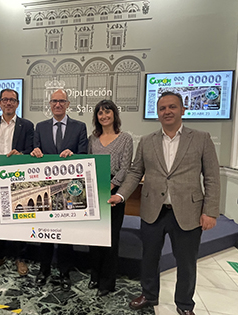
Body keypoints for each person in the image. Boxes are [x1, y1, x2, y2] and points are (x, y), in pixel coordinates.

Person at [109, 91, 220, 315]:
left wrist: (210, 211)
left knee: (187, 263)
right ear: (157, 113)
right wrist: (120, 196)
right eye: (162, 108)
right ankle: (149, 295)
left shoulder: (201, 138)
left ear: (182, 110)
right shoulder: (147, 141)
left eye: (172, 107)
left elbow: (212, 177)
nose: (167, 111)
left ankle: (185, 305)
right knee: (149, 258)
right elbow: (134, 172)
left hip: (188, 212)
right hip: (153, 211)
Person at [30, 89, 88, 291]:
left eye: (61, 101)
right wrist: (34, 152)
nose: (58, 104)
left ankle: (64, 272)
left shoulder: (79, 127)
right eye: (54, 101)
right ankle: (43, 270)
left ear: (68, 104)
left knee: (65, 235)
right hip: (45, 190)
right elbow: (34, 153)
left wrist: (74, 154)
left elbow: (83, 155)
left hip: (69, 191)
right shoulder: (40, 127)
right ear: (49, 103)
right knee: (44, 234)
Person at [0, 88, 34, 276]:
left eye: (12, 100)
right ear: (0, 103)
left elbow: (30, 150)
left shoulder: (27, 125)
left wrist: (21, 155)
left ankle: (21, 258)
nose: (8, 103)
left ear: (17, 103)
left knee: (20, 218)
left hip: (18, 179)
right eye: (5, 100)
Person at [88, 100, 133, 296]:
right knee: (94, 237)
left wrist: (112, 185)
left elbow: (125, 167)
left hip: (114, 190)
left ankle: (107, 282)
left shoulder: (125, 138)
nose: (104, 116)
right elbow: (88, 162)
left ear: (114, 114)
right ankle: (95, 276)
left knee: (110, 238)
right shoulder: (92, 138)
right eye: (100, 113)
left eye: (107, 112)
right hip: (93, 189)